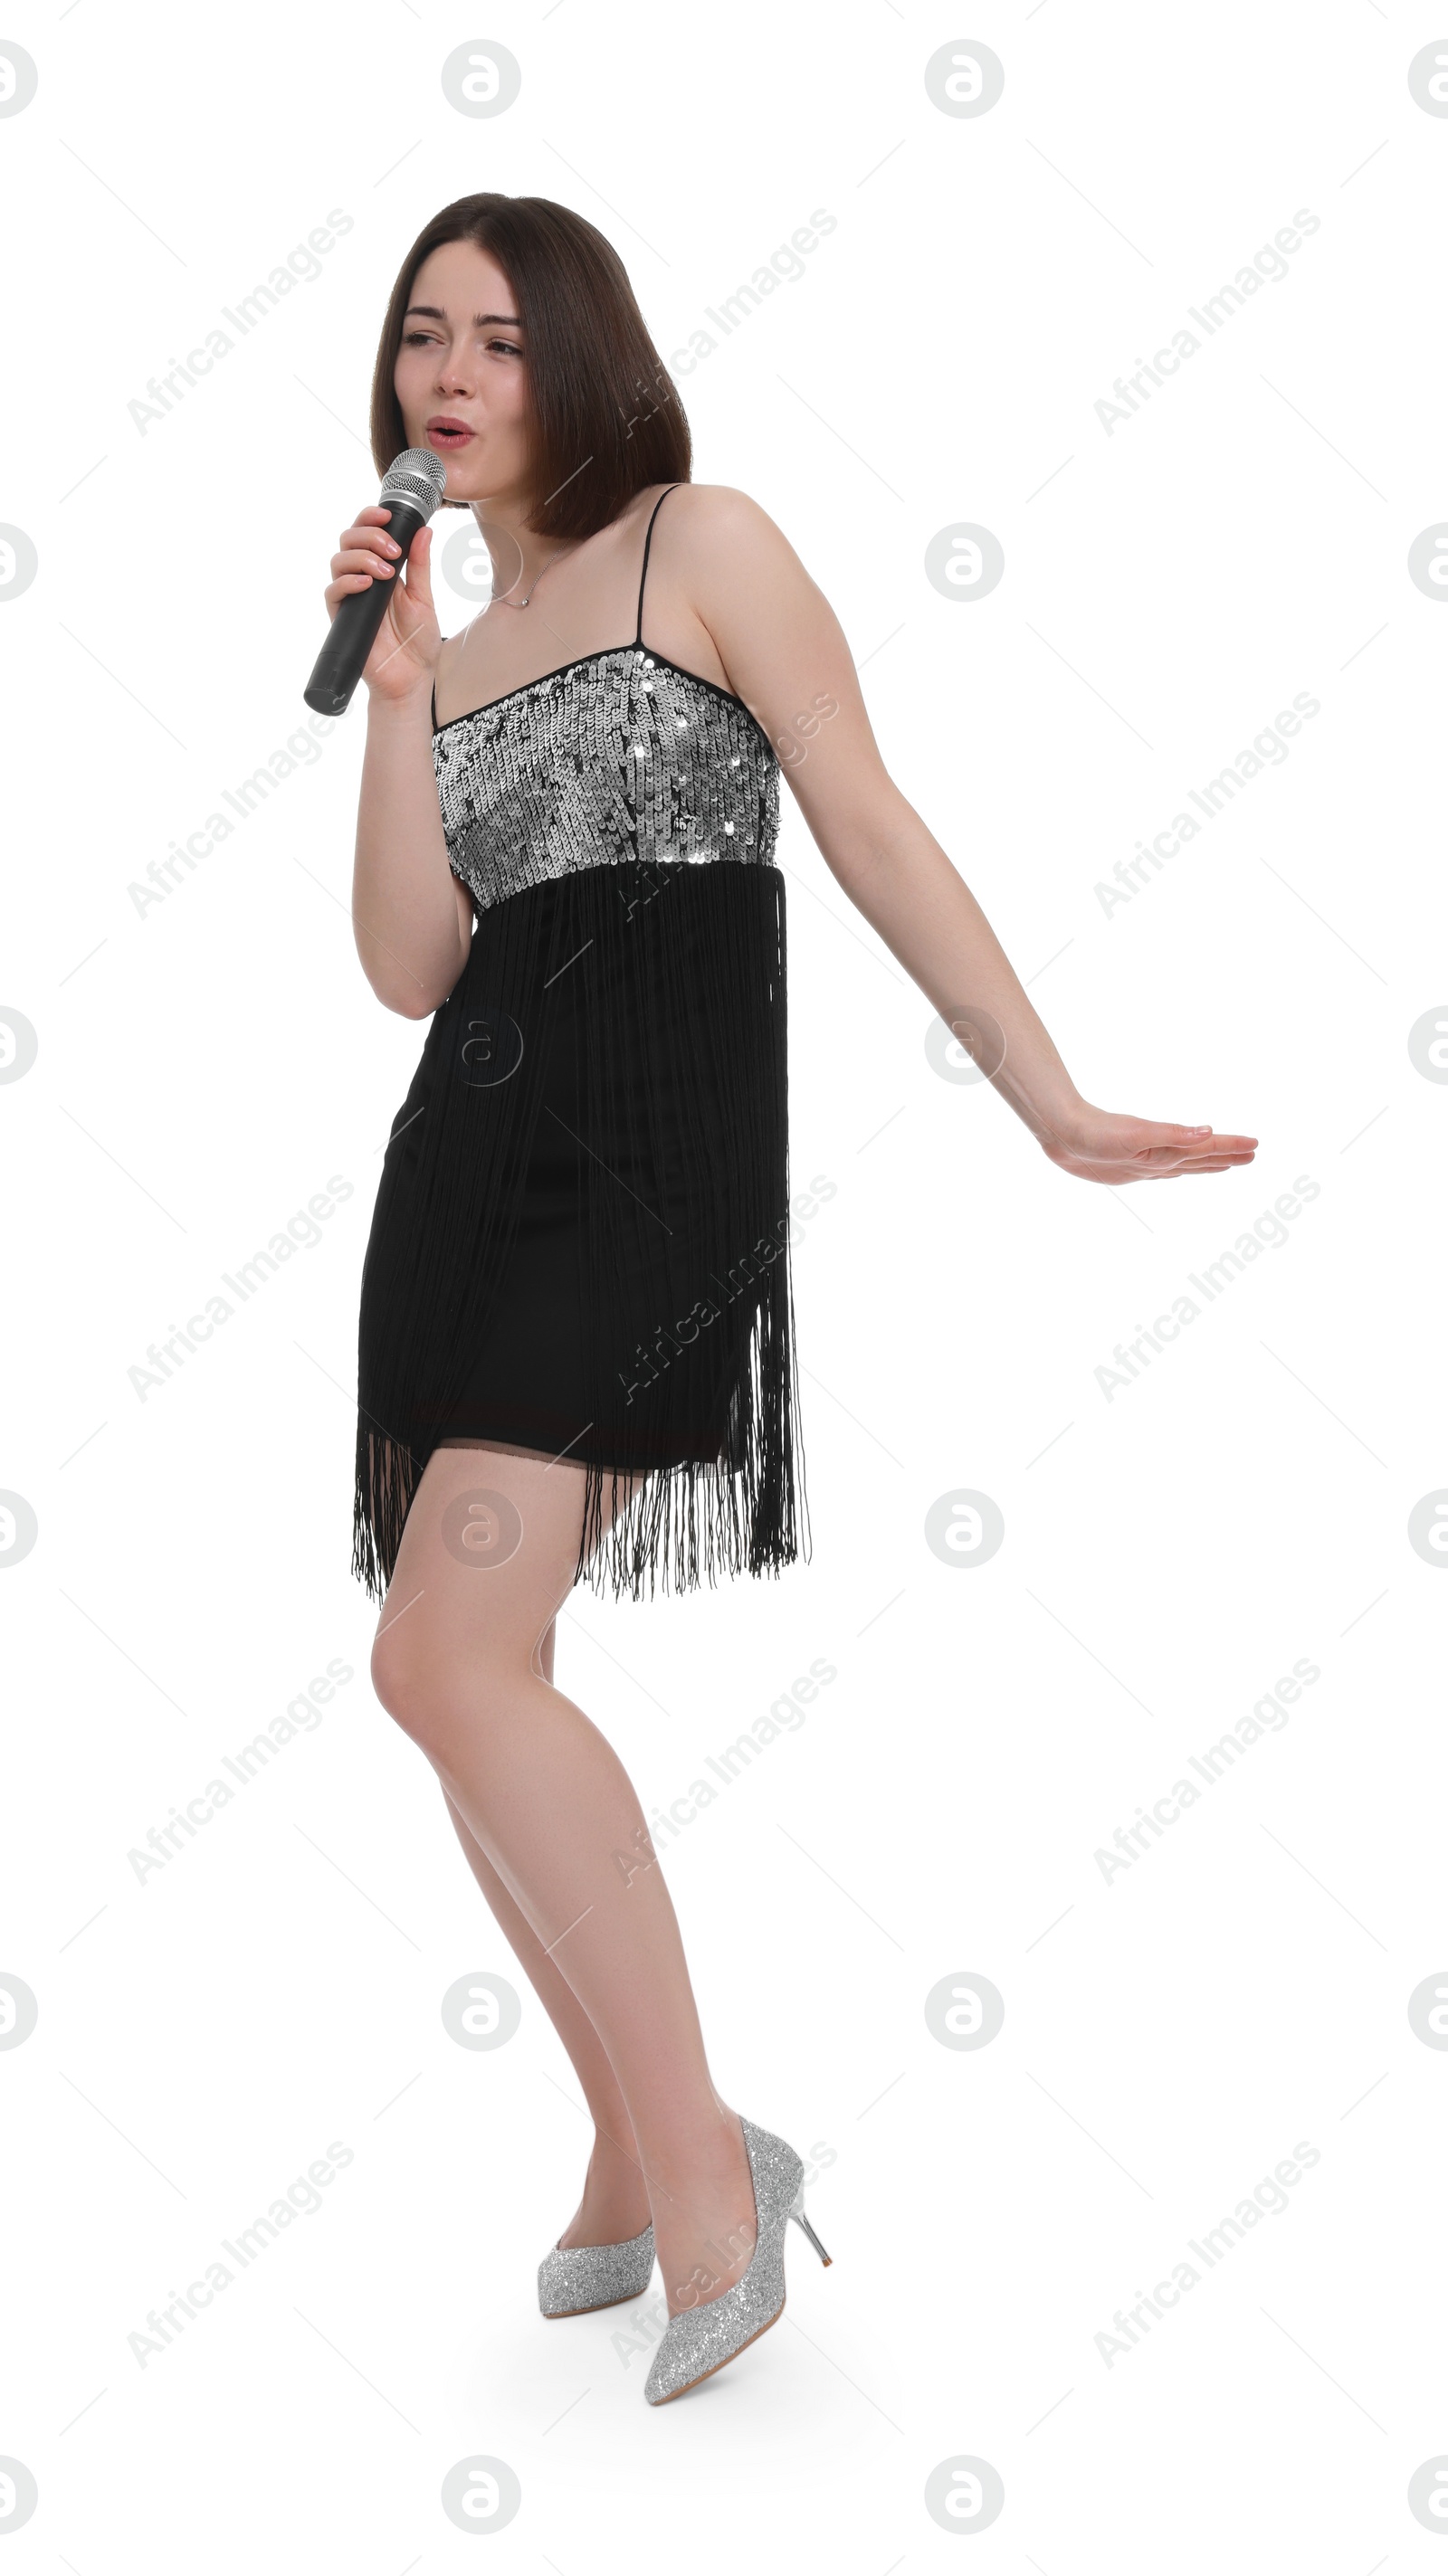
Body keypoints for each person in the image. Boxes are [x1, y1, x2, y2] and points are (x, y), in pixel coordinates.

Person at [324, 192, 1256, 2407]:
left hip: (643, 1164)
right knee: (473, 1673)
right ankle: (630, 2140)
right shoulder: (458, 628)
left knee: (439, 1649)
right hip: (463, 1160)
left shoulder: (692, 544)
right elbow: (405, 967)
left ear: (575, 356)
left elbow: (860, 813)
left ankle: (708, 2154)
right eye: (417, 338)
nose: (448, 374)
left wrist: (1044, 1092)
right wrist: (390, 689)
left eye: (496, 338)